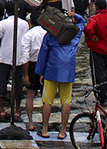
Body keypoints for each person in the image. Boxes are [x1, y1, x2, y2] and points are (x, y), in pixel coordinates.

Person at [36, 11, 86, 139]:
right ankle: (63, 131)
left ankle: (45, 129)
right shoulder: (74, 35)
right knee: (66, 102)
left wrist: (41, 72)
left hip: (51, 71)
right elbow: (82, 22)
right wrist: (74, 15)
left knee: (47, 101)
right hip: (67, 73)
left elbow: (43, 53)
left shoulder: (50, 35)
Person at [0, 5, 30, 123]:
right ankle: (17, 110)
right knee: (18, 84)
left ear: (7, 11)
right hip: (19, 57)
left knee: (2, 83)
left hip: (4, 57)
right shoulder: (24, 24)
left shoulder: (2, 24)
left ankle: (2, 110)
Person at [20, 11, 47, 131]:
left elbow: (25, 56)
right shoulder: (47, 33)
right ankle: (45, 124)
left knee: (30, 95)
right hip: (45, 65)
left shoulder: (28, 35)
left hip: (32, 66)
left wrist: (26, 75)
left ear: (30, 22)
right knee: (46, 97)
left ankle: (31, 123)